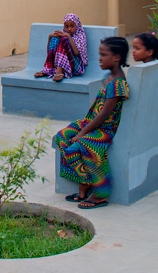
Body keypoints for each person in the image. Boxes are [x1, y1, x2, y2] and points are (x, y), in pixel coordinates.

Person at [52, 36, 129, 209]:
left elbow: (103, 115)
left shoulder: (118, 84)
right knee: (62, 137)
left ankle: (100, 193)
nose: (99, 58)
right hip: (90, 123)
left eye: (103, 55)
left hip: (103, 130)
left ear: (116, 57)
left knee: (78, 146)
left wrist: (81, 134)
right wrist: (81, 129)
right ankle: (84, 180)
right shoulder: (108, 77)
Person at [34, 13, 88, 82]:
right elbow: (49, 52)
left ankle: (60, 70)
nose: (69, 29)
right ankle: (48, 68)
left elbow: (77, 53)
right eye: (67, 26)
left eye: (72, 26)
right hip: (63, 64)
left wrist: (68, 36)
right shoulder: (63, 34)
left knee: (64, 39)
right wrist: (50, 37)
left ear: (77, 26)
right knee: (55, 38)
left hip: (75, 67)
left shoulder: (80, 36)